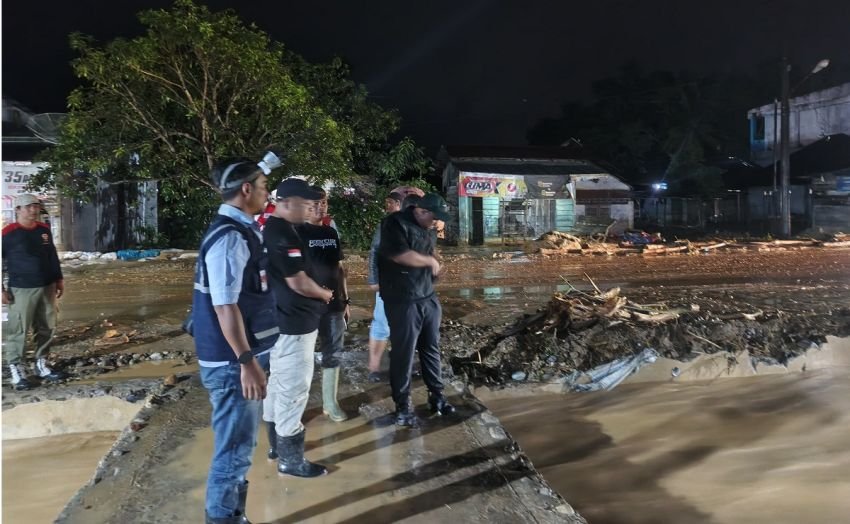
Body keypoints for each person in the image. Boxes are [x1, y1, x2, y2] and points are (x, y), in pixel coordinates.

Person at [192, 157, 279, 524]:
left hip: (235, 360)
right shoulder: (229, 237)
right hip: (232, 365)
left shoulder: (238, 229)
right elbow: (226, 308)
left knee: (240, 447)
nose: (267, 193)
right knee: (234, 451)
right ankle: (223, 518)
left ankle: (233, 515)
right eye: (262, 186)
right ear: (246, 190)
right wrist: (248, 363)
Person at [262, 178, 333, 478]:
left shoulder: (276, 229)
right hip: (294, 322)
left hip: (281, 319)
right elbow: (298, 282)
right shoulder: (283, 233)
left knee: (277, 382)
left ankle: (276, 446)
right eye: (305, 203)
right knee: (293, 387)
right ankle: (291, 461)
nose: (310, 208)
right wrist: (325, 294)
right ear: (286, 202)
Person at [377, 193, 456, 427]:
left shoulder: (429, 227)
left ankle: (437, 396)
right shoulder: (394, 223)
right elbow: (400, 255)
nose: (436, 223)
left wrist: (437, 261)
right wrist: (430, 263)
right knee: (404, 353)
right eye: (434, 218)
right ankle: (403, 406)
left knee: (431, 347)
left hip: (427, 296)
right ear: (421, 211)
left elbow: (429, 250)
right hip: (402, 299)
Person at [2, 194, 65, 390]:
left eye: (36, 206)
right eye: (28, 206)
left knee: (47, 326)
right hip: (21, 289)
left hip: (47, 286)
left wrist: (59, 279)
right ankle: (17, 369)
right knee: (18, 329)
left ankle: (41, 364)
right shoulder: (8, 233)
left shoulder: (44, 230)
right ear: (18, 210)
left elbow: (52, 256)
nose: (33, 210)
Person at [299, 186, 349, 422]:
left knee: (333, 352)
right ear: (305, 206)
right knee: (302, 356)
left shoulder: (330, 233)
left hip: (334, 306)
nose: (320, 207)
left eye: (324, 202)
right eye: (315, 203)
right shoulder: (296, 232)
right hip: (307, 306)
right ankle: (297, 406)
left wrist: (345, 299)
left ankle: (330, 402)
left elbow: (339, 269)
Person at [366, 191, 404, 382]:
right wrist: (373, 279)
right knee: (381, 323)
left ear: (400, 204)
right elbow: (374, 251)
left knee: (404, 326)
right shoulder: (386, 224)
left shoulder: (412, 224)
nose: (387, 206)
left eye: (390, 203)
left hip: (408, 286)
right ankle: (373, 368)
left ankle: (399, 364)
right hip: (387, 282)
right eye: (387, 203)